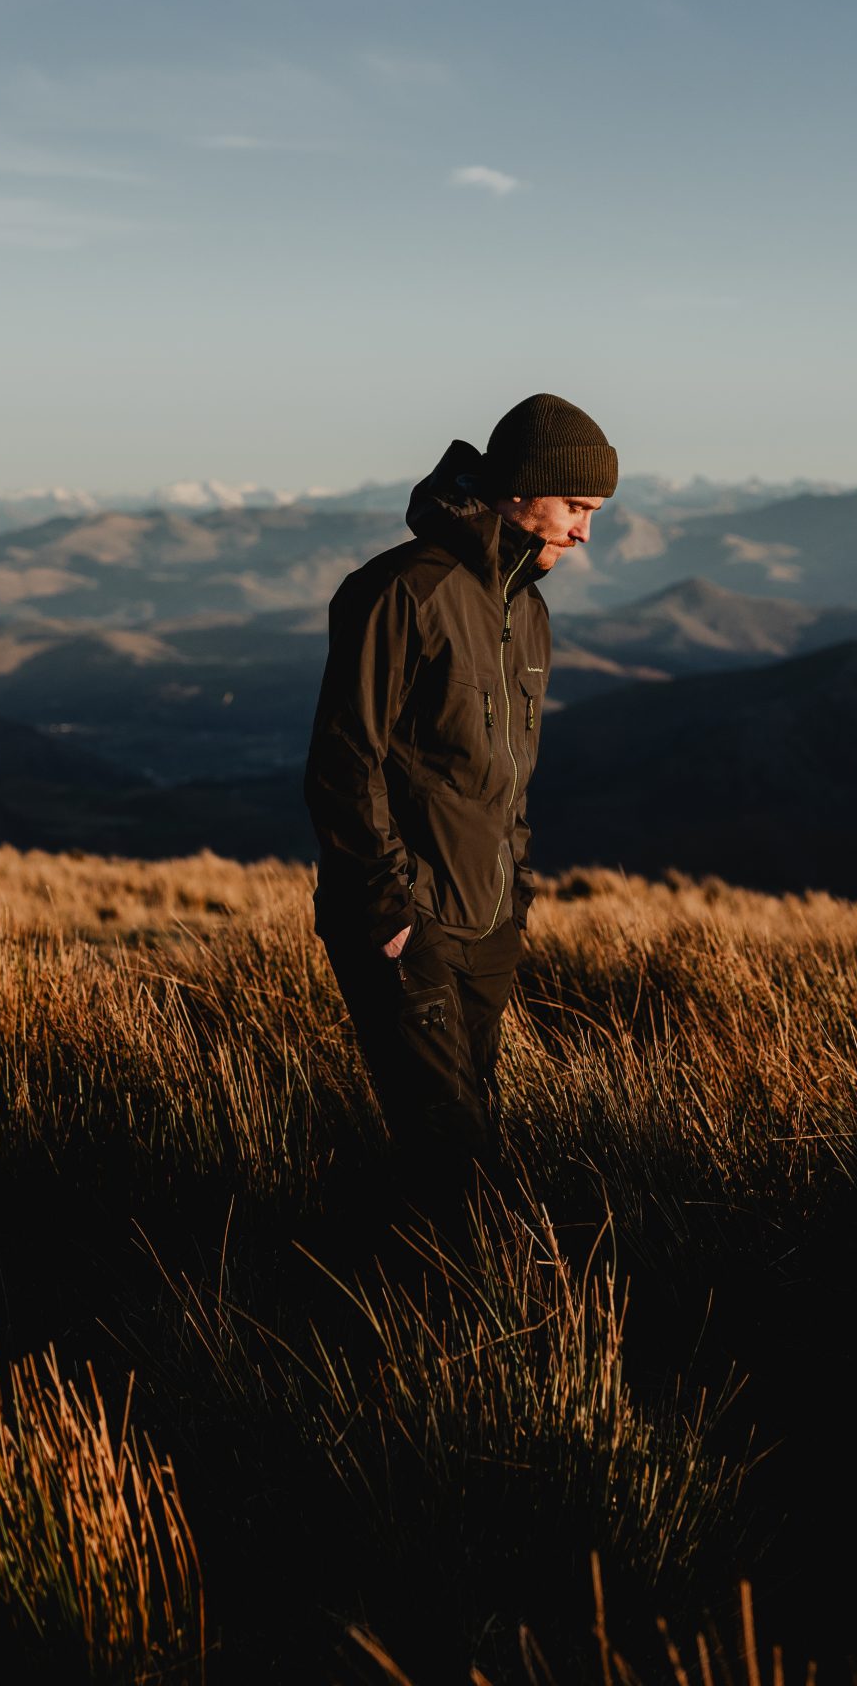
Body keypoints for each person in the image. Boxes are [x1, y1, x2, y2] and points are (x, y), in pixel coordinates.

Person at [304, 393, 618, 1212]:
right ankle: (456, 1329)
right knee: (459, 1168)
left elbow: (505, 780)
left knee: (464, 1146)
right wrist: (386, 911)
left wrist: (513, 901)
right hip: (407, 925)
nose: (585, 532)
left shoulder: (526, 611)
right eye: (577, 508)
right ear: (523, 489)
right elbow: (344, 763)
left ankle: (356, 1288)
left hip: (487, 927)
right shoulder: (403, 590)